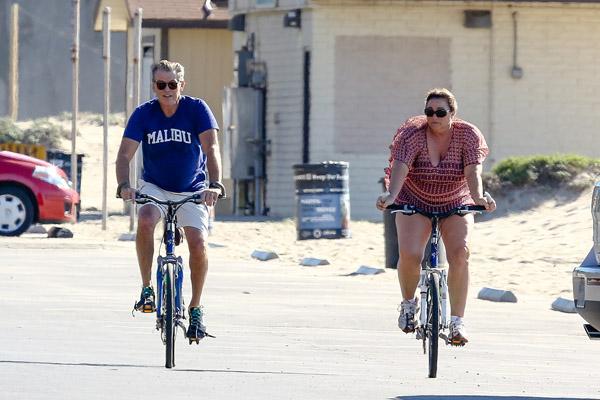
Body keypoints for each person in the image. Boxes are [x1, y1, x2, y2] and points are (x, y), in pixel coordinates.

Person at [376, 88, 496, 346]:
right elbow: (400, 167)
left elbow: (473, 171)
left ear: (452, 113)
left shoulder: (468, 135)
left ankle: (457, 323)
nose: (434, 117)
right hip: (414, 199)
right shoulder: (412, 134)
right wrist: (391, 195)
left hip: (456, 200)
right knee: (409, 254)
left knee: (460, 253)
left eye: (440, 112)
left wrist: (479, 197)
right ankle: (409, 305)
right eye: (429, 112)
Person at [116, 59, 224, 342]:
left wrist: (214, 184)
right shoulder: (144, 114)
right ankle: (147, 288)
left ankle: (196, 308)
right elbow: (125, 154)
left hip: (192, 188)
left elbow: (211, 148)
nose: (166, 90)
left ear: (181, 85)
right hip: (155, 187)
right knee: (146, 219)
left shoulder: (197, 109)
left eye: (172, 84)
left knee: (198, 244)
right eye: (161, 84)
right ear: (154, 86)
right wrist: (124, 185)